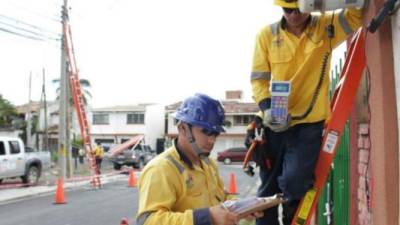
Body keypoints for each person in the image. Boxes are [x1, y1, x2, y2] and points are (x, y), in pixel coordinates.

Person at [249, 0, 363, 224]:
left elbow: (356, 16)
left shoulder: (326, 27)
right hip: (274, 123)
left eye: (297, 9)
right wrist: (266, 108)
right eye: (287, 10)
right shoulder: (267, 35)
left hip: (308, 124)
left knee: (294, 182)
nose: (292, 15)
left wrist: (328, 4)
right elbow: (259, 79)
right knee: (267, 190)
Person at [136, 93, 263, 225]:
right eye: (206, 132)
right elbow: (147, 221)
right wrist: (207, 217)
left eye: (215, 134)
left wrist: (242, 207)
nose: (212, 140)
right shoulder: (161, 169)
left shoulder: (208, 164)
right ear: (183, 129)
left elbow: (221, 197)